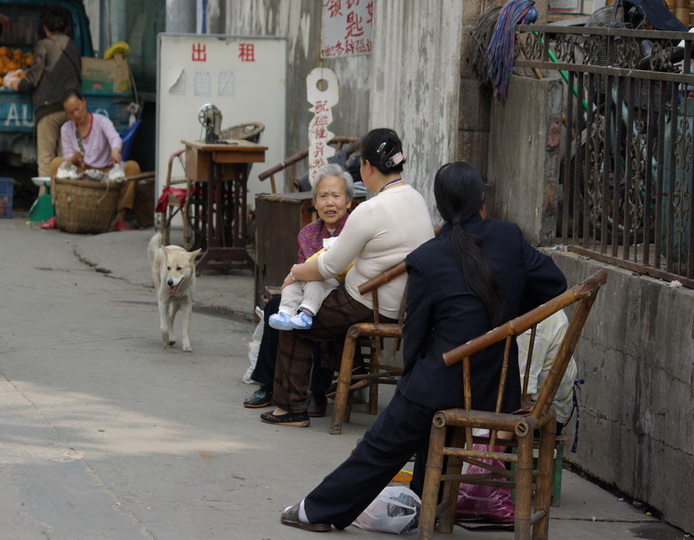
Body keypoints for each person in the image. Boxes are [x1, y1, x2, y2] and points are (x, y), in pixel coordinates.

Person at [278, 161, 568, 532]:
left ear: (441, 208)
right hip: (499, 386)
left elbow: (414, 336)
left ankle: (315, 512)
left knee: (383, 442)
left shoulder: (428, 257)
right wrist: (503, 322)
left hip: (444, 379)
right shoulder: (508, 237)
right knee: (414, 412)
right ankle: (425, 502)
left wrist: (412, 382)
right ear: (482, 200)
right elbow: (554, 284)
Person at [260, 128, 435, 428]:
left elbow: (328, 265)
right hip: (405, 303)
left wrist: (294, 273)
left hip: (367, 301)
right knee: (318, 304)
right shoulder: (416, 199)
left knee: (291, 320)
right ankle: (322, 390)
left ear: (367, 167)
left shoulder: (372, 209)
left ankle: (290, 408)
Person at [243, 164, 354, 417]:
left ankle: (317, 392)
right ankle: (269, 384)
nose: (330, 203)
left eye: (336, 196)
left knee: (317, 317)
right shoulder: (307, 233)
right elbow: (304, 271)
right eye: (323, 196)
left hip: (341, 292)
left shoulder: (353, 229)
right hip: (310, 288)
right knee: (276, 307)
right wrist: (293, 281)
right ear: (314, 202)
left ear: (348, 201)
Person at [47, 89, 140, 231]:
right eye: (71, 113)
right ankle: (58, 213)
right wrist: (73, 159)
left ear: (84, 102)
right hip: (81, 170)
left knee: (132, 167)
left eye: (77, 109)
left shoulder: (101, 121)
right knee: (56, 164)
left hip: (105, 170)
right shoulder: (66, 129)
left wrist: (115, 150)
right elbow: (66, 156)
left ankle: (120, 218)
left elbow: (115, 138)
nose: (76, 115)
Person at [7, 5, 81, 178]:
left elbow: (31, 81)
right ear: (66, 27)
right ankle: (65, 199)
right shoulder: (74, 46)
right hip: (71, 109)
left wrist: (13, 83)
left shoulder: (44, 45)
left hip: (49, 109)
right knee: (66, 161)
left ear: (45, 28)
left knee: (46, 160)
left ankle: (46, 200)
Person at [517, 309, 578, 433]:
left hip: (540, 414)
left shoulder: (536, 324)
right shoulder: (550, 304)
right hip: (551, 407)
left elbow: (522, 391)